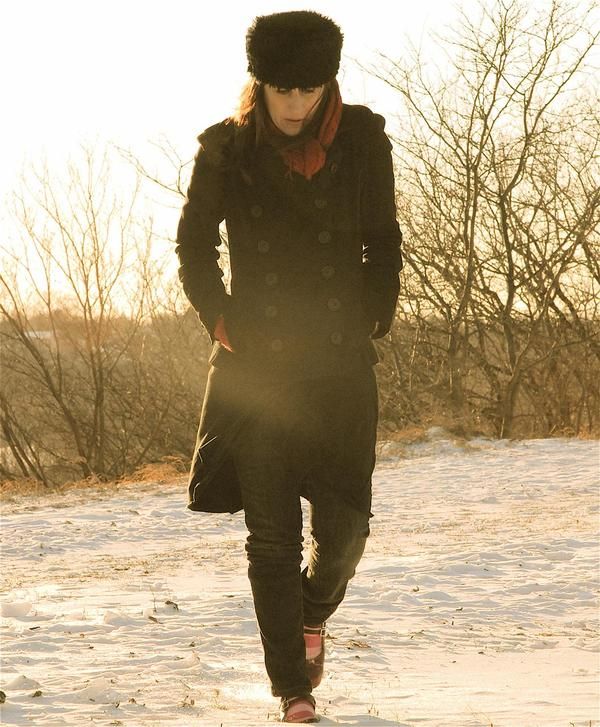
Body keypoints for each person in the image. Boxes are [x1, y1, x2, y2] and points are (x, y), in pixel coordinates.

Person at [175, 10, 402, 724]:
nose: (297, 103)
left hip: (338, 368)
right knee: (271, 539)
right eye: (283, 89)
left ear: (327, 81)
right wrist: (221, 319)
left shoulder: (363, 139)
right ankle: (292, 689)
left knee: (345, 533)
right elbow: (192, 246)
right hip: (259, 372)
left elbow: (383, 238)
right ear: (261, 83)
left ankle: (311, 612)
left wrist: (375, 309)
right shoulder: (226, 150)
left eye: (310, 88)